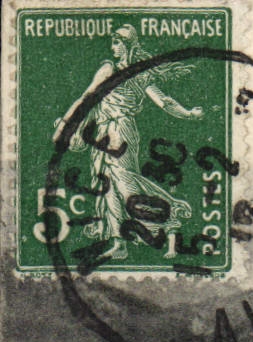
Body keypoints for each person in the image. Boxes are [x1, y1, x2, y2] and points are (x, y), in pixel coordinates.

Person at [54, 25, 203, 259]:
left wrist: (188, 114)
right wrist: (66, 124)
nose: (113, 47)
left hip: (122, 131)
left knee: (124, 183)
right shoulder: (108, 69)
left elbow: (163, 101)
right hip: (103, 131)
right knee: (107, 185)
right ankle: (119, 242)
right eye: (112, 43)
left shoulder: (139, 73)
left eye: (117, 43)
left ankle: (170, 214)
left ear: (128, 46)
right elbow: (88, 97)